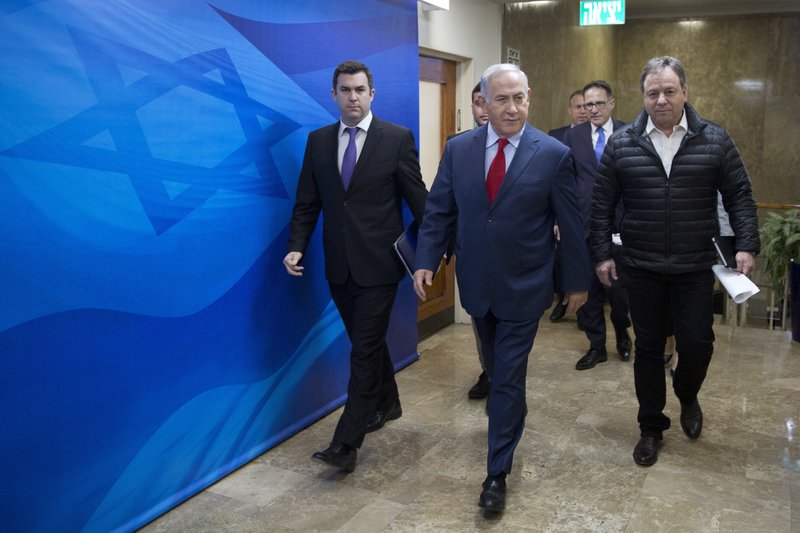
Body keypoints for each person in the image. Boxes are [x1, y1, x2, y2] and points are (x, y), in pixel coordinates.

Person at [413, 64, 589, 513]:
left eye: (519, 98)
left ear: (528, 97)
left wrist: (575, 283)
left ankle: (496, 473)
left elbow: (570, 224)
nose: (512, 108)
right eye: (502, 100)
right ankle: (510, 418)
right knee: (496, 370)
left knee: (507, 377)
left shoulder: (552, 154)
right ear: (484, 103)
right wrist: (425, 261)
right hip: (476, 284)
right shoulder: (459, 150)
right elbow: (439, 211)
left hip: (526, 285)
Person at [590, 56, 760, 467]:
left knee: (698, 344)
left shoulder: (715, 140)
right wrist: (601, 254)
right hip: (642, 266)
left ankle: (687, 393)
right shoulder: (623, 143)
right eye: (653, 93)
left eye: (669, 91)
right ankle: (651, 427)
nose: (661, 99)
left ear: (684, 92)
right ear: (643, 97)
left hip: (694, 267)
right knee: (648, 348)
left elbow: (739, 195)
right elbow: (601, 205)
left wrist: (746, 245)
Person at [283, 60, 428, 472]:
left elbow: (421, 203)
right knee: (368, 342)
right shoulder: (318, 142)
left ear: (372, 94)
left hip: (381, 268)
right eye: (345, 90)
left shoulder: (396, 140)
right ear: (334, 94)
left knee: (363, 350)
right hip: (339, 268)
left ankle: (346, 442)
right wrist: (297, 246)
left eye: (360, 89)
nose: (352, 97)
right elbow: (307, 203)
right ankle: (389, 401)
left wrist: (431, 256)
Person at [562, 80, 632, 370]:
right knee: (588, 289)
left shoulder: (630, 132)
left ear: (611, 104)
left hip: (621, 224)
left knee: (619, 290)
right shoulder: (573, 136)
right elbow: (564, 180)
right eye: (588, 104)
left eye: (599, 104)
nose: (593, 110)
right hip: (584, 224)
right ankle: (597, 346)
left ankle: (623, 333)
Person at [547, 89, 589, 322]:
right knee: (560, 259)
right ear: (570, 110)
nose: (583, 111)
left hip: (590, 210)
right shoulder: (555, 136)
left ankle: (586, 311)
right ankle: (562, 302)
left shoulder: (608, 134)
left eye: (587, 106)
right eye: (578, 107)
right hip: (561, 211)